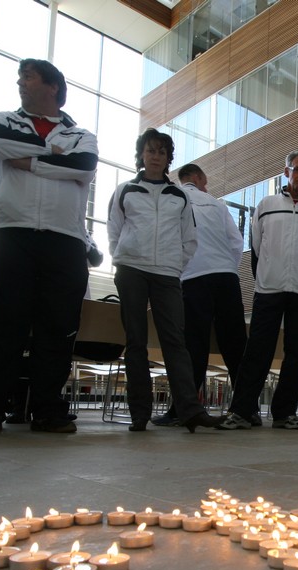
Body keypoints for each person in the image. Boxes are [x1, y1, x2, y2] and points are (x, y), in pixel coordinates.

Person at [0, 59, 98, 434]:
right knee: (4, 322)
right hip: (12, 232)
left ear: (52, 86)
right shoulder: (2, 121)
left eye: (28, 77)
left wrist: (29, 162)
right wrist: (55, 157)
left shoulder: (81, 135)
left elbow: (84, 166)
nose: (20, 82)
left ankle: (47, 408)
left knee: (59, 327)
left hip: (66, 239)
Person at [108, 130, 222, 433]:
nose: (156, 156)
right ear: (142, 154)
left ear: (168, 158)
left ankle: (190, 411)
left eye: (161, 151)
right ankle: (140, 413)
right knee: (136, 342)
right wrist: (124, 256)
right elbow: (114, 230)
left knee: (175, 342)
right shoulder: (125, 190)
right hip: (131, 270)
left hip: (167, 274)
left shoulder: (179, 196)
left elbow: (189, 238)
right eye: (151, 150)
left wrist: (173, 264)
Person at [217, 150, 298, 430]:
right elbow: (256, 248)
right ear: (286, 171)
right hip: (269, 290)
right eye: (297, 169)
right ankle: (242, 411)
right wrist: (267, 277)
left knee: (296, 354)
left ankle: (284, 413)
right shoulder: (265, 206)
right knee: (257, 351)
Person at [151, 162, 247, 428]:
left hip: (193, 276)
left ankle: (184, 409)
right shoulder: (218, 204)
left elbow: (168, 238)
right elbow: (236, 242)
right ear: (196, 177)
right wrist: (227, 267)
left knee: (194, 345)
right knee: (236, 344)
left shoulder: (173, 198)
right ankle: (245, 408)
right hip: (227, 277)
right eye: (205, 181)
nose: (206, 187)